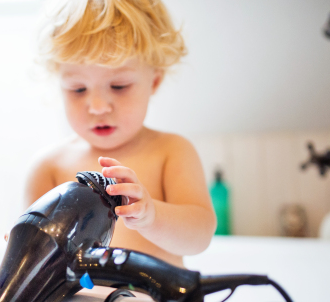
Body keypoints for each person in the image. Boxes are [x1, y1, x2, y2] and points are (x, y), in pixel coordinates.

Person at [19, 0, 216, 267]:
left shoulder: (171, 152)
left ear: (154, 82)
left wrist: (152, 216)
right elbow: (34, 255)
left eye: (119, 86)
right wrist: (27, 247)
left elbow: (200, 237)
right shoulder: (48, 167)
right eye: (78, 89)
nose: (98, 107)